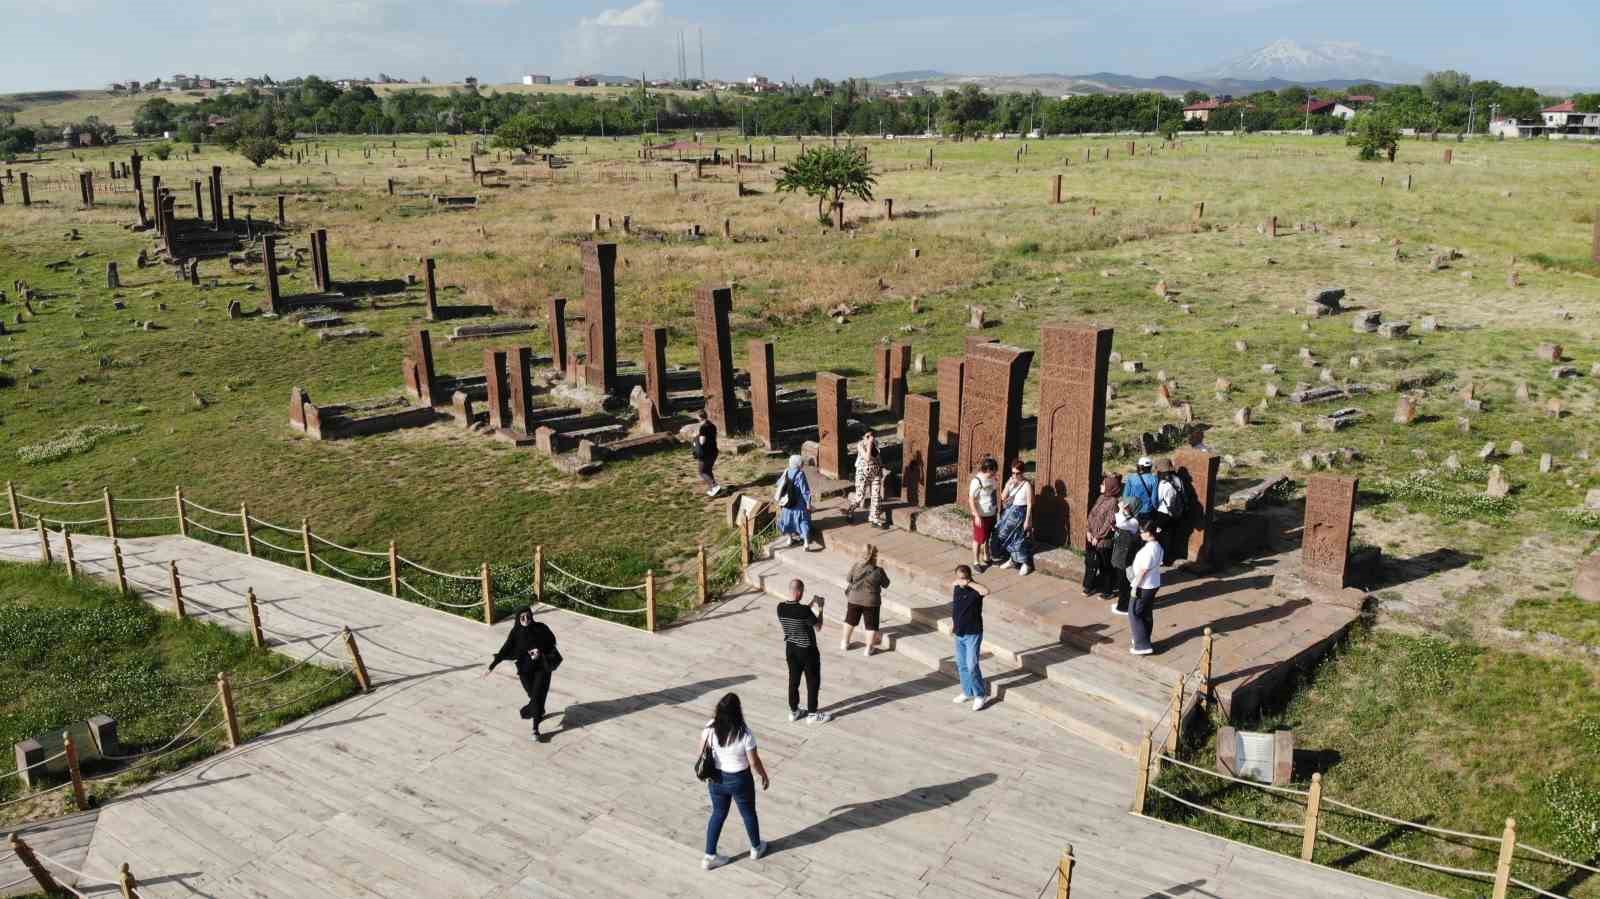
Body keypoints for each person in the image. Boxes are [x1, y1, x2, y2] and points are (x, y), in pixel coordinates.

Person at [697, 693, 770, 870]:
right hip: (740, 779)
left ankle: (709, 856)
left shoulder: (709, 728)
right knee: (748, 813)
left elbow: (701, 753)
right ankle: (756, 848)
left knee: (718, 814)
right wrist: (763, 775)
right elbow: (753, 761)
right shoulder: (744, 733)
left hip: (716, 779)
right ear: (738, 711)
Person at [482, 607, 561, 742]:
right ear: (518, 619)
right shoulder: (516, 632)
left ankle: (535, 729)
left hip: (542, 668)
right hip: (525, 670)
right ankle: (539, 710)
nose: (526, 620)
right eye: (522, 617)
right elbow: (505, 649)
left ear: (531, 616)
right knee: (533, 696)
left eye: (528, 616)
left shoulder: (541, 628)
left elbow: (552, 642)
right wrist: (492, 666)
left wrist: (540, 651)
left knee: (536, 696)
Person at [777, 578, 832, 723]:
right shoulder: (804, 611)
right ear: (800, 592)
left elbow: (800, 614)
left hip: (791, 650)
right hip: (807, 652)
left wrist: (811, 603)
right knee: (813, 681)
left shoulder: (780, 608)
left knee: (793, 681)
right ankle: (812, 714)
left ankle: (794, 711)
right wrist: (820, 608)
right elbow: (818, 626)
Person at [950, 565, 991, 710]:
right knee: (962, 665)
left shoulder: (975, 591)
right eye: (958, 578)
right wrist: (954, 624)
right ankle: (968, 692)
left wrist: (968, 583)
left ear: (968, 577)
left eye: (962, 578)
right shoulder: (956, 589)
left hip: (973, 633)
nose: (959, 582)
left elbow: (986, 591)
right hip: (959, 633)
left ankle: (980, 695)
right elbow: (957, 609)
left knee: (972, 665)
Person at [842, 543, 890, 656]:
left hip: (854, 599)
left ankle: (844, 642)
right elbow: (886, 584)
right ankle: (868, 649)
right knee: (871, 625)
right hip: (871, 602)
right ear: (874, 556)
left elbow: (848, 579)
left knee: (850, 621)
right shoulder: (878, 571)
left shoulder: (856, 566)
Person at [989, 459, 1034, 576]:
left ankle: (1026, 563)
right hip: (1010, 512)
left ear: (1022, 473)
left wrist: (1028, 520)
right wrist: (1008, 485)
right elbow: (1003, 497)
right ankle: (1013, 560)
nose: (1015, 475)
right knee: (1006, 536)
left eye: (1017, 473)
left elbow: (1030, 504)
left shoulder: (1027, 484)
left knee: (1019, 538)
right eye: (1013, 473)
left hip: (1021, 513)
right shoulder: (1011, 482)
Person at [1127, 520, 1165, 655]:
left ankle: (1142, 644)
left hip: (1145, 585)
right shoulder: (1158, 546)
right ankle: (1143, 638)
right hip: (1153, 583)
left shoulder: (1150, 549)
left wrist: (1134, 586)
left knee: (1134, 612)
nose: (1140, 533)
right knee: (1146, 613)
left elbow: (1143, 571)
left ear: (1149, 533)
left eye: (1142, 531)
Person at [1082, 474, 1123, 599]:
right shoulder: (1101, 498)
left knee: (1105, 566)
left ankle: (1107, 591)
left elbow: (1109, 522)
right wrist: (1088, 530)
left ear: (1110, 487)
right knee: (1091, 562)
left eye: (1103, 484)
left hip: (1103, 541)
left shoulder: (1113, 502)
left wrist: (1098, 536)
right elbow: (1091, 514)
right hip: (1092, 537)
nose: (1101, 485)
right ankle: (1089, 586)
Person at [774, 455, 821, 551]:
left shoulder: (787, 471)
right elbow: (805, 491)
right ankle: (806, 543)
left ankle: (789, 539)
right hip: (799, 505)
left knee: (788, 521)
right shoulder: (800, 474)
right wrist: (808, 503)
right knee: (803, 522)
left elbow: (779, 483)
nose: (802, 464)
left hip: (788, 504)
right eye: (801, 462)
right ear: (799, 464)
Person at [847, 431, 887, 529]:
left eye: (872, 435)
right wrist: (869, 443)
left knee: (876, 496)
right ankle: (850, 510)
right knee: (860, 496)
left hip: (875, 472)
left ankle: (874, 518)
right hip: (863, 473)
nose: (871, 437)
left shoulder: (876, 443)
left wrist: (881, 468)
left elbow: (878, 457)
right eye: (868, 436)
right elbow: (867, 457)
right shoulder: (860, 445)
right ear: (863, 437)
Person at [1109, 498, 1141, 616]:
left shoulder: (1134, 521)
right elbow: (1120, 523)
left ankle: (1124, 606)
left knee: (1124, 582)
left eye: (1128, 507)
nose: (1125, 509)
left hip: (1126, 556)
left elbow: (1121, 523)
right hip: (1121, 554)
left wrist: (1121, 509)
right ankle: (1122, 602)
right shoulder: (1129, 519)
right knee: (1121, 580)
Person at [967, 457, 1000, 571]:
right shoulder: (977, 481)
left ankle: (987, 556)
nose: (994, 474)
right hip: (981, 515)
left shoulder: (992, 478)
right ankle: (976, 562)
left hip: (991, 512)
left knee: (987, 537)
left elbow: (994, 492)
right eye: (993, 472)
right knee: (978, 539)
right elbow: (971, 499)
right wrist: (976, 515)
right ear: (987, 470)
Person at [694, 409, 721, 497]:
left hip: (705, 453)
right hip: (714, 451)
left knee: (702, 471)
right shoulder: (712, 425)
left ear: (699, 417)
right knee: (708, 470)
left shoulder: (703, 427)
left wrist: (696, 438)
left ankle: (714, 485)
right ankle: (713, 489)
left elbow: (702, 441)